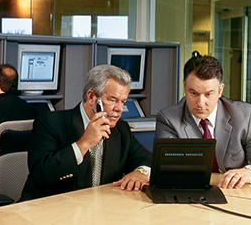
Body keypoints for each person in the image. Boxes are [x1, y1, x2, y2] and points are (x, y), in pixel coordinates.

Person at [20, 64, 152, 201]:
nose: (119, 108)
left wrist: (141, 172)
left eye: (123, 101)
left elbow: (147, 158)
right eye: (112, 100)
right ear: (91, 97)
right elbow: (40, 174)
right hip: (49, 209)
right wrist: (83, 144)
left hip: (97, 211)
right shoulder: (51, 122)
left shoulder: (121, 129)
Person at [155, 55, 251, 189]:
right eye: (193, 93)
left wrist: (249, 172)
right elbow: (168, 169)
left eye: (208, 94)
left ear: (220, 90)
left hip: (235, 193)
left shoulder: (244, 115)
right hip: (190, 192)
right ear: (184, 87)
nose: (200, 103)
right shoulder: (168, 119)